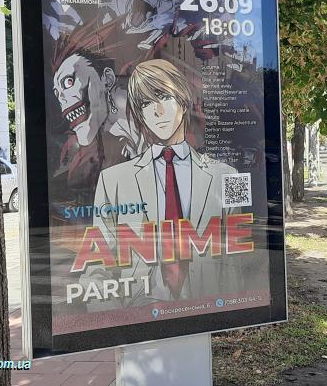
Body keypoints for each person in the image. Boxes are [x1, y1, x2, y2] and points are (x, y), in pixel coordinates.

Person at [87, 59, 247, 306]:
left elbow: (236, 259)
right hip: (139, 310)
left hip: (206, 307)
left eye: (164, 97)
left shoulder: (229, 175)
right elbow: (97, 263)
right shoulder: (112, 180)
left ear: (183, 100)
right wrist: (115, 317)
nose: (157, 111)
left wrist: (232, 311)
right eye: (146, 103)